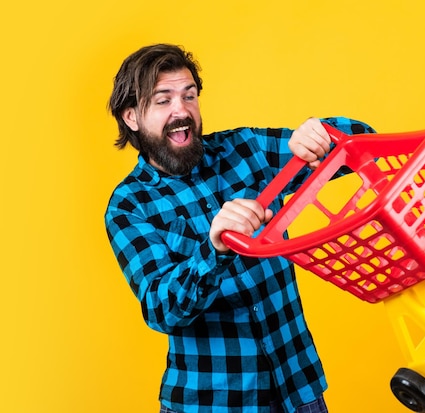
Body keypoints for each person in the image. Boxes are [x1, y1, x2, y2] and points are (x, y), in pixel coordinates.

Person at [104, 43, 374, 413]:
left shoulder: (246, 150)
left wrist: (321, 133)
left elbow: (361, 146)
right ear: (132, 116)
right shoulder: (129, 206)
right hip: (210, 401)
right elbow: (161, 308)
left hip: (298, 386)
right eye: (163, 100)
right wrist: (213, 251)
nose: (182, 111)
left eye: (189, 96)